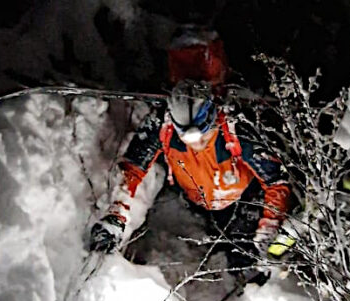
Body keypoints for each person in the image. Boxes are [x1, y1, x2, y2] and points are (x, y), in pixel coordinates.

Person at [89, 79, 290, 274]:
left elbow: (275, 181)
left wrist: (269, 227)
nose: (196, 143)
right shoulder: (162, 125)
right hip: (191, 200)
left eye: (203, 135)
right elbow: (132, 167)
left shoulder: (237, 129)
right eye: (186, 137)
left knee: (244, 258)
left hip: (240, 202)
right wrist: (116, 213)